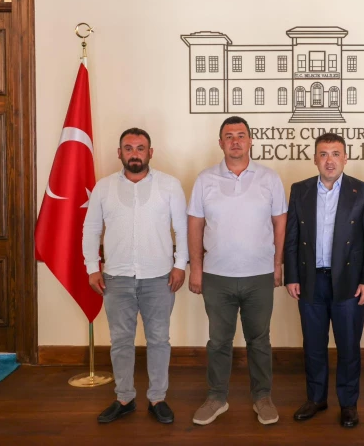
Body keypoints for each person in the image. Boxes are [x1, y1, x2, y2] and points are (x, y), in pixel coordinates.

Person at [83, 127, 188, 425]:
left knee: (159, 340)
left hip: (160, 278)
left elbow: (181, 228)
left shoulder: (169, 185)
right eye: (128, 148)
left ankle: (157, 399)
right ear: (119, 153)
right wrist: (92, 267)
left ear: (150, 153)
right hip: (116, 278)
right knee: (120, 341)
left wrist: (180, 264)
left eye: (140, 148)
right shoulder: (103, 187)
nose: (134, 154)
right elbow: (91, 229)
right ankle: (124, 398)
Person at [187, 116, 287, 426]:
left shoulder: (269, 178)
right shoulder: (205, 179)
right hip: (217, 276)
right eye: (229, 136)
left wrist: (277, 265)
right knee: (219, 341)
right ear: (220, 143)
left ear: (250, 141)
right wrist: (196, 269)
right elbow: (195, 225)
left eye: (241, 135)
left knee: (259, 340)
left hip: (259, 275)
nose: (235, 141)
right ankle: (217, 397)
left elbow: (280, 223)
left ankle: (262, 397)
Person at [284, 133, 364, 428]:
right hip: (310, 280)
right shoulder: (300, 190)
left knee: (349, 346)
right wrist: (291, 276)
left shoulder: (363, 191)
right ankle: (316, 398)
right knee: (313, 345)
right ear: (315, 158)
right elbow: (291, 238)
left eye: (335, 153)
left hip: (349, 282)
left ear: (345, 158)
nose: (330, 160)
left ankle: (348, 404)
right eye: (324, 154)